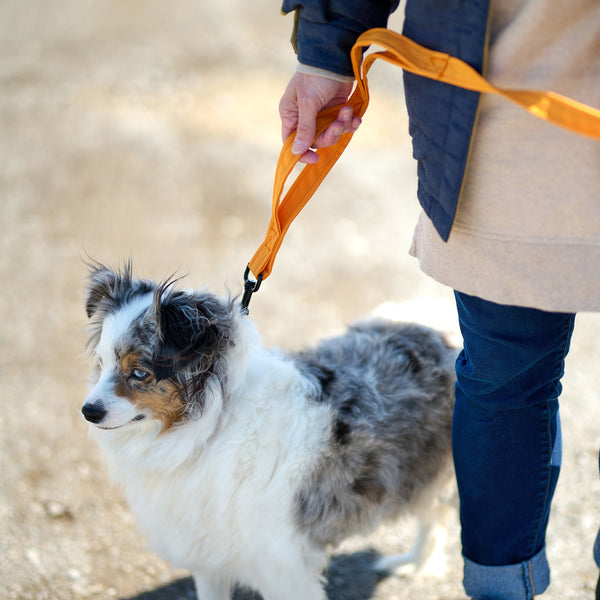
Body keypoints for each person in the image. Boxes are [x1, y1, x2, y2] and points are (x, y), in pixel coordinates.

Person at [277, 1, 600, 599]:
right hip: (496, 99)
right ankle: (501, 588)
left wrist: (326, 48)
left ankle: (502, 589)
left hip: (493, 101)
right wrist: (326, 49)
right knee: (505, 378)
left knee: (508, 382)